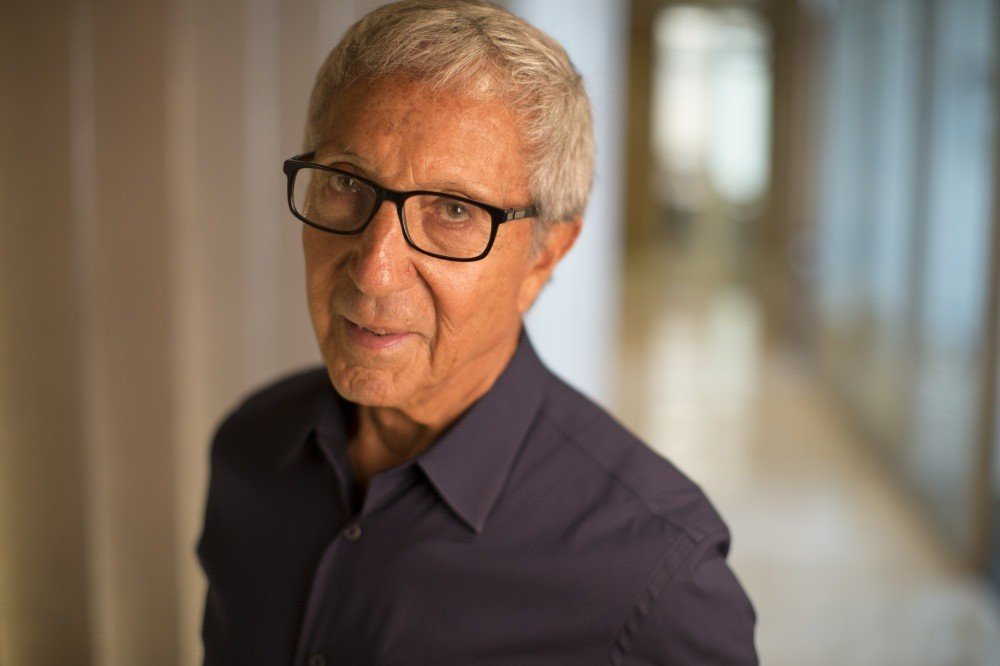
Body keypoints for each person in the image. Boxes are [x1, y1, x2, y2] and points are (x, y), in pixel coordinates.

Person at [196, 1, 758, 664]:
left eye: (454, 211)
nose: (374, 272)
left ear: (545, 256)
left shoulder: (656, 577)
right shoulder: (251, 447)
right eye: (346, 182)